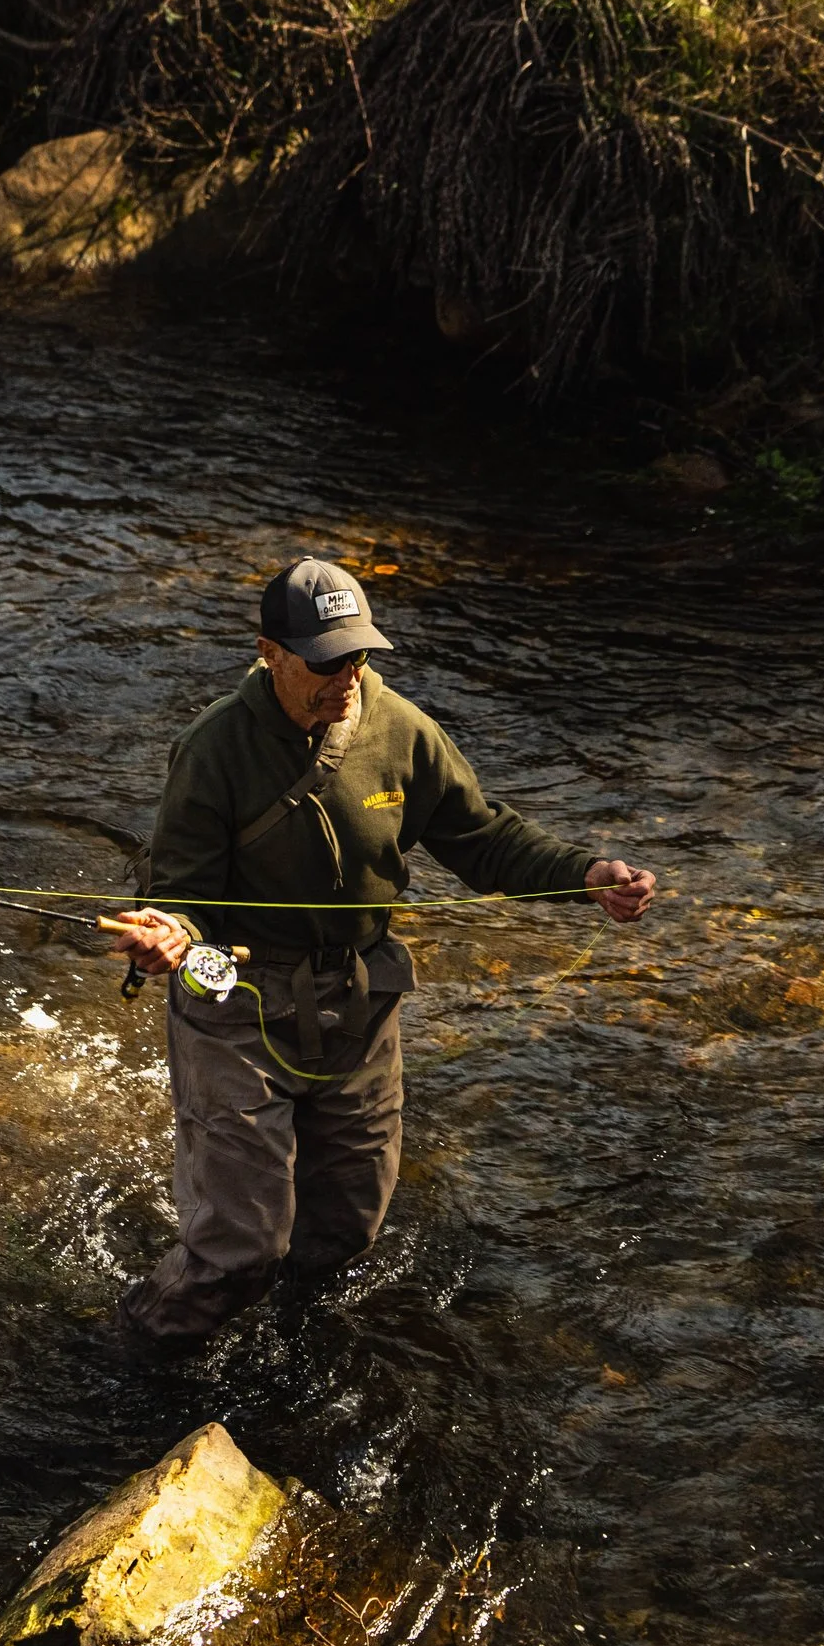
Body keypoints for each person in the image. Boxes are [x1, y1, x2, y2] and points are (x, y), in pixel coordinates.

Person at [104, 557, 654, 1354]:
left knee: (346, 1232)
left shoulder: (400, 729)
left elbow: (485, 837)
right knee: (241, 1250)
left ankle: (282, 1365)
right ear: (271, 651)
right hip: (237, 1010)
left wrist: (583, 876)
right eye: (327, 660)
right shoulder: (213, 748)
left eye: (359, 654)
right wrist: (167, 933)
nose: (347, 677)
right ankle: (133, 1354)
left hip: (359, 1006)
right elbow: (181, 893)